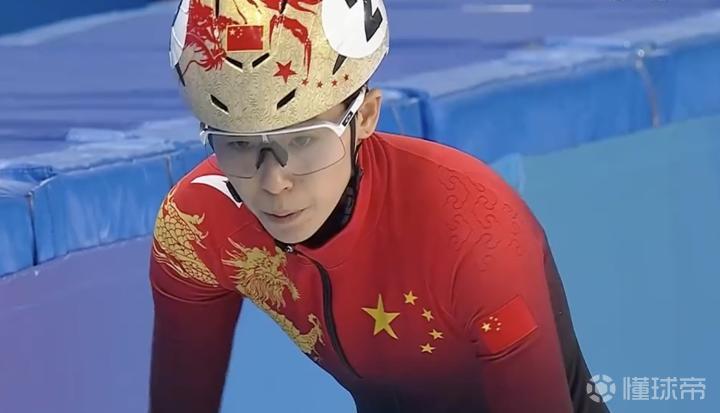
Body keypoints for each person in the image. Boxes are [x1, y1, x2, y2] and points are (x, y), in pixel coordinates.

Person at [149, 0, 610, 412]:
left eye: (305, 139)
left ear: (366, 116)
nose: (273, 181)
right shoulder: (196, 224)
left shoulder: (472, 229)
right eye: (238, 144)